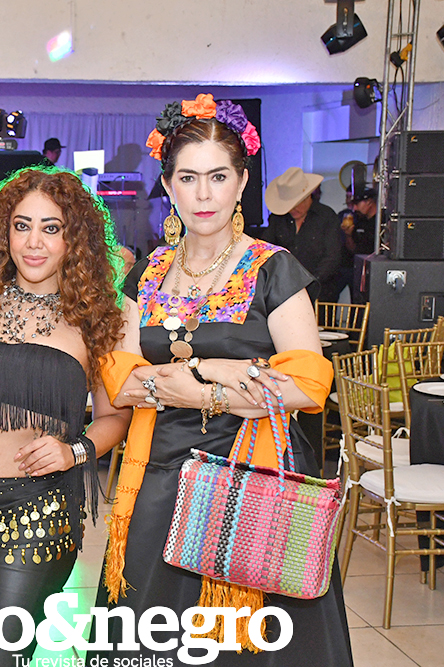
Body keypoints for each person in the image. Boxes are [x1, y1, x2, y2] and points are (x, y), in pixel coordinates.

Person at [91, 94, 352, 664]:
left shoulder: (272, 268)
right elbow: (121, 382)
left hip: (253, 483)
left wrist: (200, 389)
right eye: (188, 178)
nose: (203, 194)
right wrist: (220, 373)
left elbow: (306, 385)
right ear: (168, 186)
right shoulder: (147, 273)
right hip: (160, 478)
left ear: (241, 182)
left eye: (218, 177)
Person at [0, 166, 133, 667]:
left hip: (35, 511)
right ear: (4, 231)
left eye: (51, 228)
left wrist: (75, 451)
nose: (34, 242)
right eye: (22, 225)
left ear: (75, 238)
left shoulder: (97, 316)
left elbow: (116, 418)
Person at [260, 166, 344, 302]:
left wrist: (310, 282)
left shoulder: (326, 216)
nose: (293, 209)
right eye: (289, 204)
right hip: (284, 291)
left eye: (297, 203)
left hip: (321, 291)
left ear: (308, 196)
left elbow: (332, 257)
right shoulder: (278, 219)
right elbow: (265, 248)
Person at [338, 186, 377, 303]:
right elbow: (353, 249)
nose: (354, 208)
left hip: (374, 271)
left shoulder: (381, 221)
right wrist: (348, 235)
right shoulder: (359, 221)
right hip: (356, 268)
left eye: (357, 204)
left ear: (369, 202)